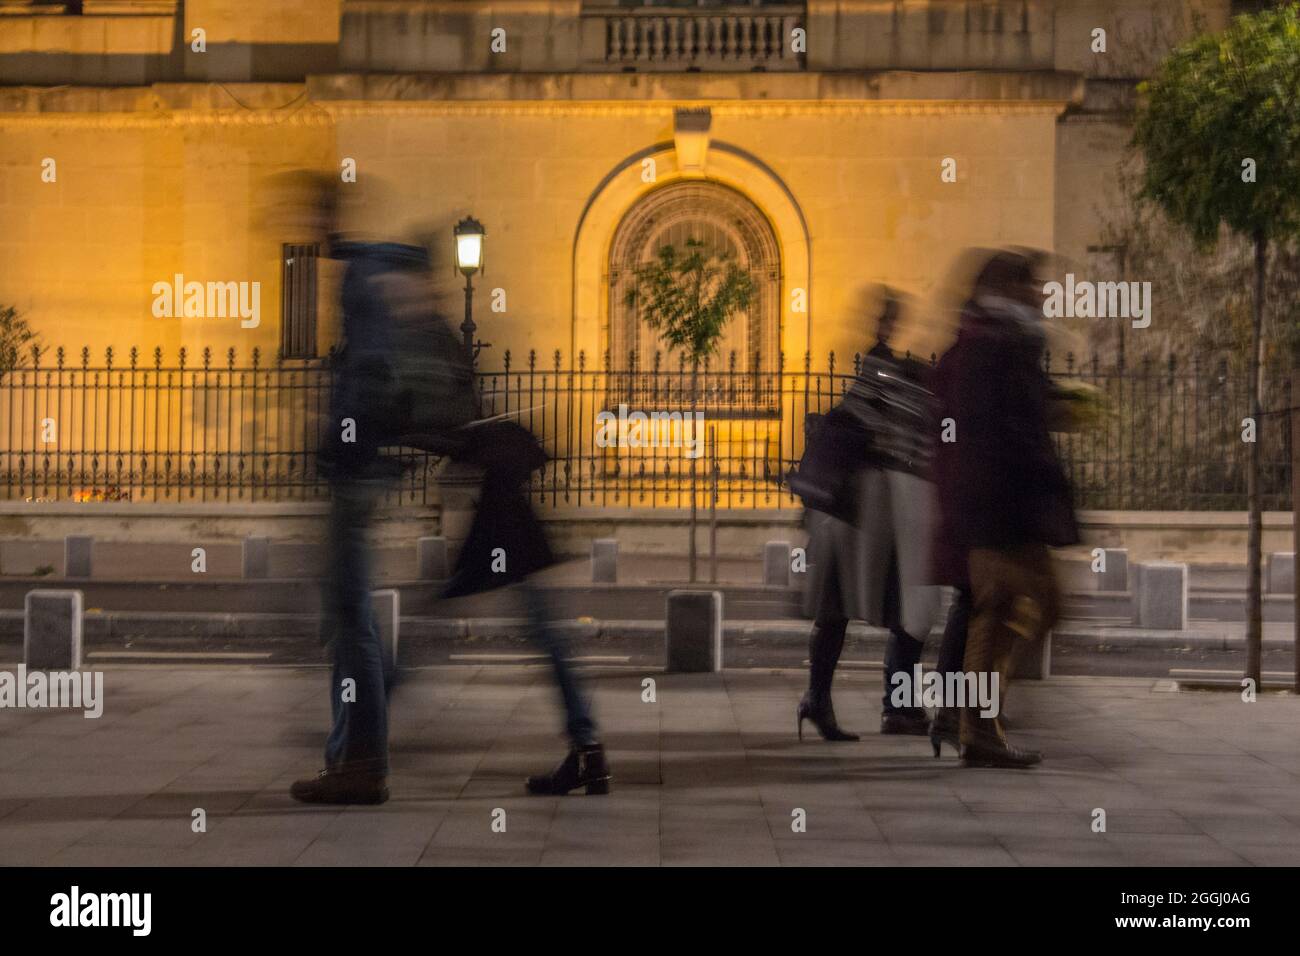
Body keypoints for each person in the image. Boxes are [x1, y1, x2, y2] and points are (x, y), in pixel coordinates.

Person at [287, 172, 476, 804]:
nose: (303, 224)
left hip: (354, 472)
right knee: (350, 615)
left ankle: (361, 761)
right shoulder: (378, 269)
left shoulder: (359, 278)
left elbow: (368, 372)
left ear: (327, 214)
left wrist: (341, 446)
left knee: (350, 618)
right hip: (364, 466)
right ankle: (355, 754)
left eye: (309, 211)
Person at [933, 250, 1079, 768]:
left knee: (995, 616)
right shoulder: (998, 344)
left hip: (991, 507)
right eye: (1032, 285)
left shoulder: (991, 341)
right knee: (1033, 607)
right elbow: (1007, 430)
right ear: (1010, 289)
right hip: (1001, 508)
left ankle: (974, 723)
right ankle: (975, 722)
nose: (1041, 294)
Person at [798, 293, 941, 740]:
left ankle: (822, 700)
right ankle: (893, 706)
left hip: (854, 513)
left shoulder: (880, 372)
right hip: (872, 513)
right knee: (906, 605)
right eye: (888, 317)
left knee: (843, 609)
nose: (892, 324)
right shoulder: (884, 373)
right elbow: (879, 432)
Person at [442, 420, 611, 795]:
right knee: (553, 646)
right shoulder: (500, 470)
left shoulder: (495, 478)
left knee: (552, 646)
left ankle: (587, 749)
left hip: (520, 563)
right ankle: (589, 753)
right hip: (525, 564)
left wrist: (454, 584)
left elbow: (486, 534)